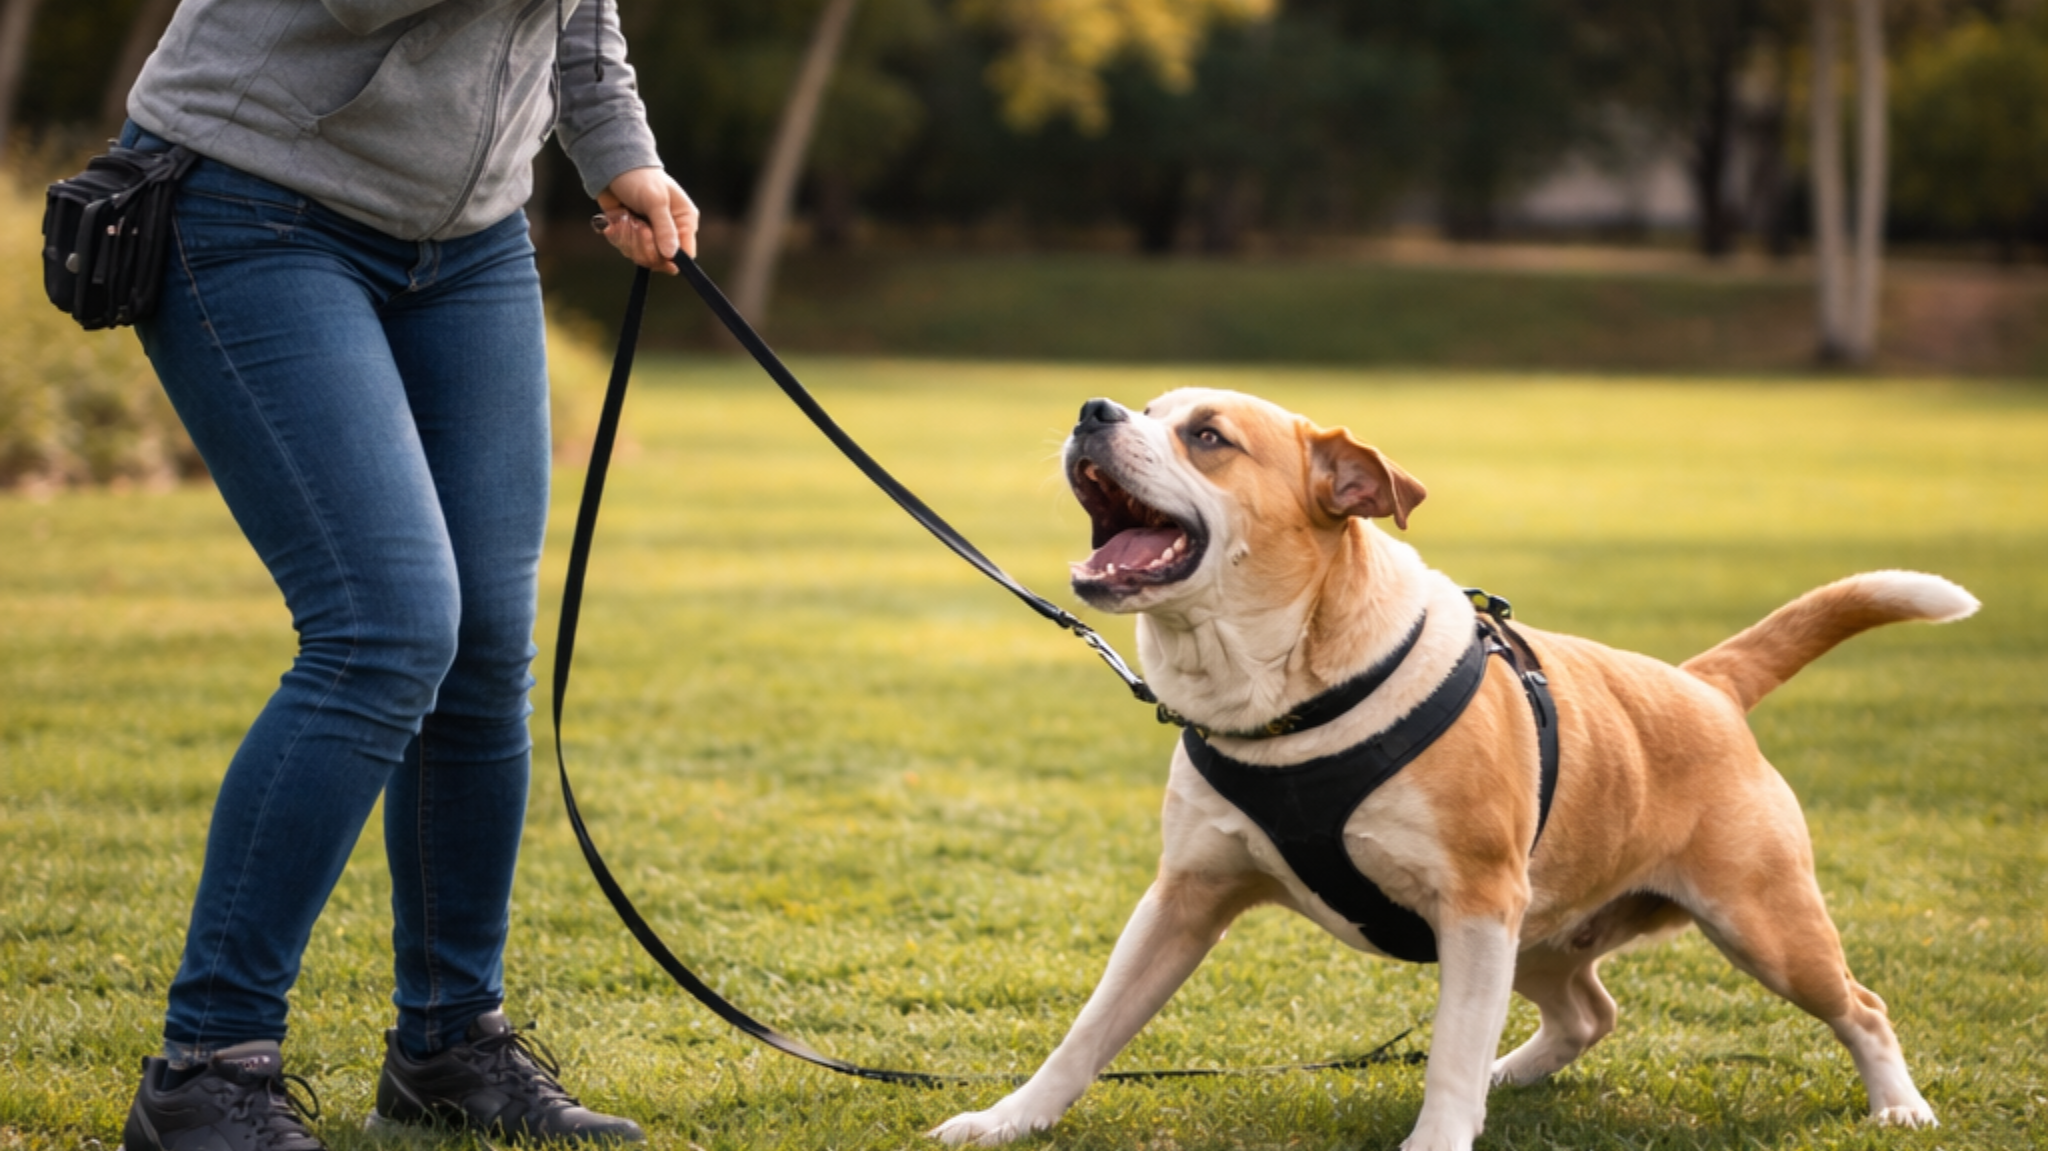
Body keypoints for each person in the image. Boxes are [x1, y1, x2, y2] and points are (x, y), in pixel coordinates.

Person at [111, 3, 696, 1149]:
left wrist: (620, 151)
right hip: (253, 199)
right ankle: (205, 1068)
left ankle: (449, 1045)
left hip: (468, 241)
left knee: (482, 643)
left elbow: (580, 18)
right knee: (383, 628)